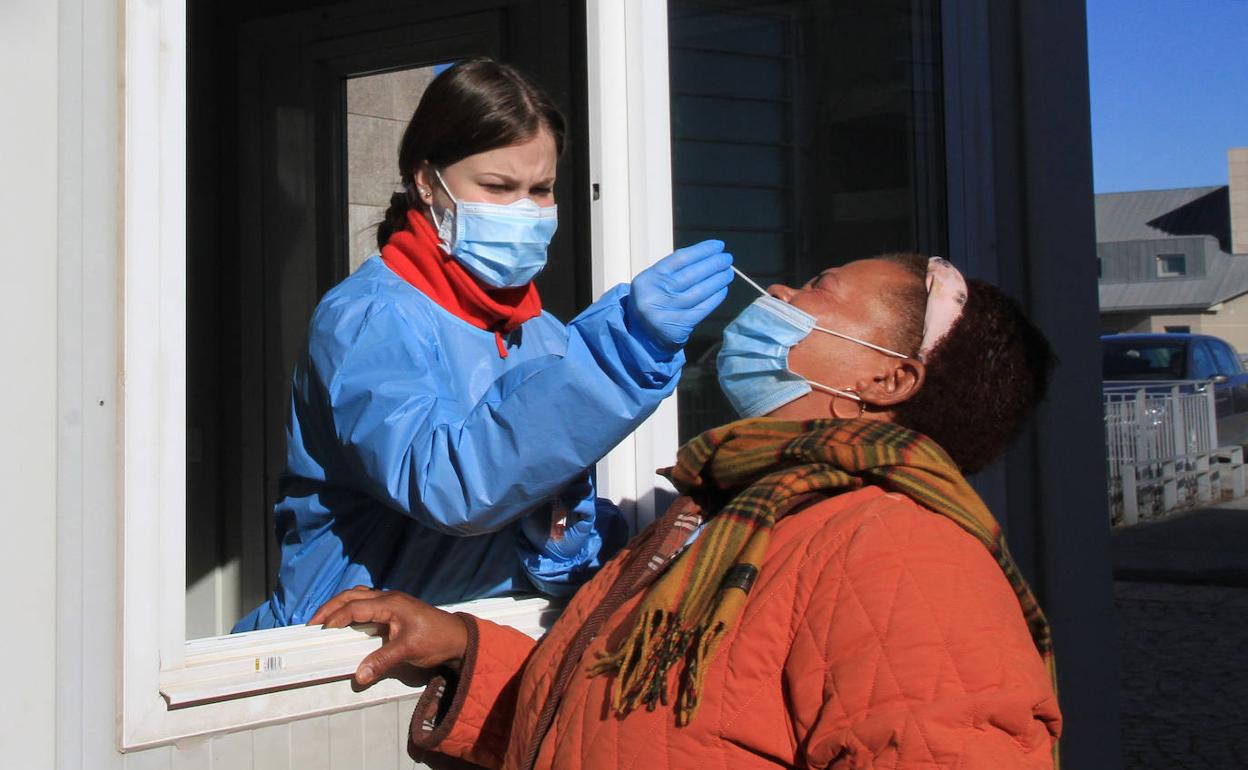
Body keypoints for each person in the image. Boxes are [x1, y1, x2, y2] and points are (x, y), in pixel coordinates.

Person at [311, 253, 1065, 769]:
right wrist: (465, 650)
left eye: (817, 288)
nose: (777, 294)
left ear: (887, 378)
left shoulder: (900, 550)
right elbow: (633, 727)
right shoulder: (733, 514)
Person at [234, 58, 734, 630]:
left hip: (486, 643)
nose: (525, 210)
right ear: (427, 183)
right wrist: (622, 353)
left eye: (541, 189)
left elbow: (550, 530)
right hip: (344, 658)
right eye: (497, 187)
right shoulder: (368, 317)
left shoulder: (541, 332)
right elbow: (448, 486)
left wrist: (564, 544)